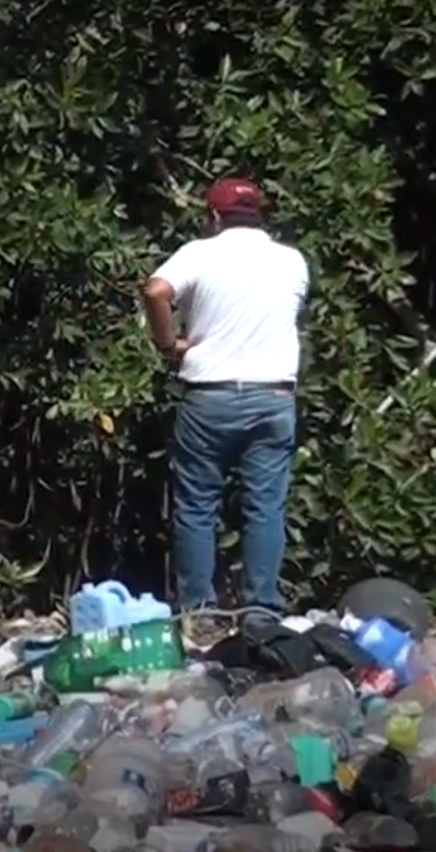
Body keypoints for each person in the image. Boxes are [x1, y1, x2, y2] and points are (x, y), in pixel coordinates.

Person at [141, 177, 307, 624]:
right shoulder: (292, 261)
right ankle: (260, 610)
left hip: (211, 395)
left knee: (197, 504)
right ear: (260, 214)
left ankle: (198, 609)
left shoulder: (199, 253)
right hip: (273, 395)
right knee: (265, 505)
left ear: (213, 216)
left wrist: (167, 343)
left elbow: (156, 290)